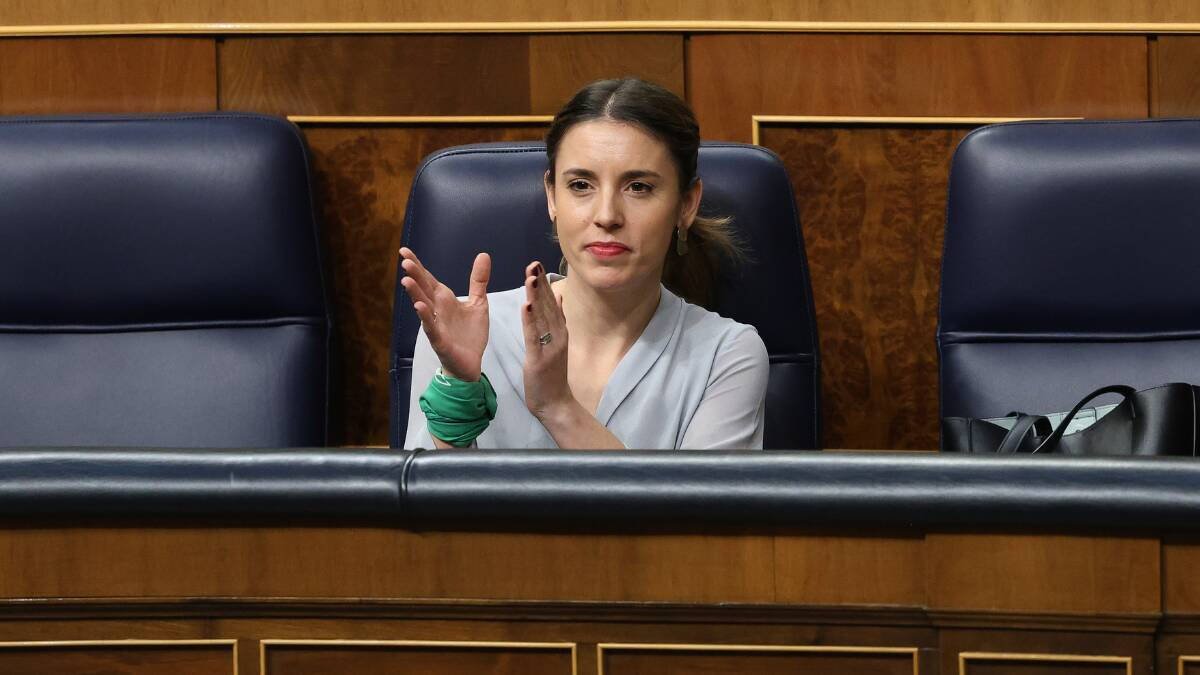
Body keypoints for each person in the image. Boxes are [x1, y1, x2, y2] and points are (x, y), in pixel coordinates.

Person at [400, 78, 768, 450]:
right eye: (580, 185)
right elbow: (431, 507)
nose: (607, 215)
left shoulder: (728, 354)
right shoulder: (461, 329)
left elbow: (695, 509)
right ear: (552, 197)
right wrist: (458, 391)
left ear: (686, 204)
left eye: (638, 187)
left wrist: (558, 406)